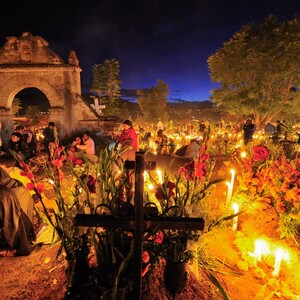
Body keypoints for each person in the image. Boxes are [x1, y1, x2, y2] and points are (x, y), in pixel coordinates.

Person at [0, 167, 36, 256]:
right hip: (30, 228)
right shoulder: (12, 187)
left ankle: (9, 246)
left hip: (16, 236)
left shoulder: (5, 192)